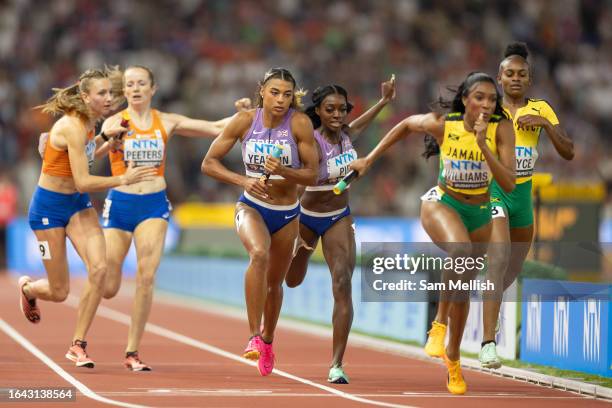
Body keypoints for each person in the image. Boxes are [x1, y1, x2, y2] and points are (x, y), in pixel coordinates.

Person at [350, 72, 516, 394]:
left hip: (480, 210)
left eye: (492, 99)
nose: (486, 104)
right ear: (466, 100)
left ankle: (452, 358)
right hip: (443, 203)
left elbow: (508, 183)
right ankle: (437, 325)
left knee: (462, 286)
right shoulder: (444, 123)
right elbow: (405, 126)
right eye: (479, 97)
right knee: (459, 250)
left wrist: (484, 146)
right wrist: (369, 159)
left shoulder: (501, 129)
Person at [99, 65, 249, 371]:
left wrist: (245, 115)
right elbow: (90, 154)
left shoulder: (166, 121)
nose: (136, 88)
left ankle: (132, 350)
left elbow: (214, 127)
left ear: (153, 89)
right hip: (120, 203)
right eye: (130, 84)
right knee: (108, 285)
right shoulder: (114, 121)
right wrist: (101, 139)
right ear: (124, 91)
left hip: (154, 204)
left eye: (142, 83)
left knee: (146, 276)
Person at [18, 68, 156, 368]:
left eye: (111, 93)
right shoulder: (72, 126)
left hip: (77, 206)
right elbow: (83, 180)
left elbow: (87, 157)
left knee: (99, 269)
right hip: (48, 211)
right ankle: (29, 289)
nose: (109, 99)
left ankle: (77, 344)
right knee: (59, 291)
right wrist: (123, 179)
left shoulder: (93, 123)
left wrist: (108, 142)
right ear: (85, 97)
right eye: (103, 94)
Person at [202, 67, 318, 376]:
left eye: (287, 94)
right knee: (258, 254)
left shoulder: (300, 124)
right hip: (251, 206)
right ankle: (253, 336)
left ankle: (267, 340)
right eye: (275, 92)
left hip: (287, 213)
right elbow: (208, 163)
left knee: (275, 284)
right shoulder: (244, 121)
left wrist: (285, 170)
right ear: (262, 91)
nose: (281, 100)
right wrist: (243, 179)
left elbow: (312, 173)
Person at [284, 77, 396, 384]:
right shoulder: (310, 143)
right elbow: (321, 188)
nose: (337, 115)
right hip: (306, 216)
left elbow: (359, 125)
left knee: (343, 282)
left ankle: (337, 364)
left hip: (338, 218)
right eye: (330, 109)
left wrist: (384, 102)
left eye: (342, 109)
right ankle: (303, 253)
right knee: (292, 280)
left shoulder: (346, 134)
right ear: (318, 111)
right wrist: (352, 176)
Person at [476, 42, 574, 368]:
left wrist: (545, 125)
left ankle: (491, 301)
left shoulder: (542, 109)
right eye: (509, 74)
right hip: (494, 192)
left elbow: (569, 151)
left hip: (523, 196)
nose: (515, 79)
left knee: (510, 272)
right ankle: (488, 342)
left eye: (522, 74)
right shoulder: (489, 111)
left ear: (528, 80)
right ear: (499, 78)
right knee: (499, 258)